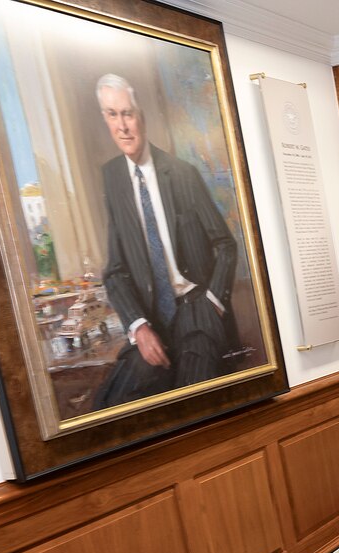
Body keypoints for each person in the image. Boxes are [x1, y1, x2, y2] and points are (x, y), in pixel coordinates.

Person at [93, 74, 237, 408]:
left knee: (192, 403)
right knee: (111, 407)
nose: (123, 126)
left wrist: (213, 302)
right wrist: (139, 327)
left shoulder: (182, 173)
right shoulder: (112, 179)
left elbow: (225, 244)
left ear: (141, 114)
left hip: (196, 310)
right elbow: (114, 271)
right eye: (112, 115)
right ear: (105, 119)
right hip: (150, 321)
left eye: (127, 113)